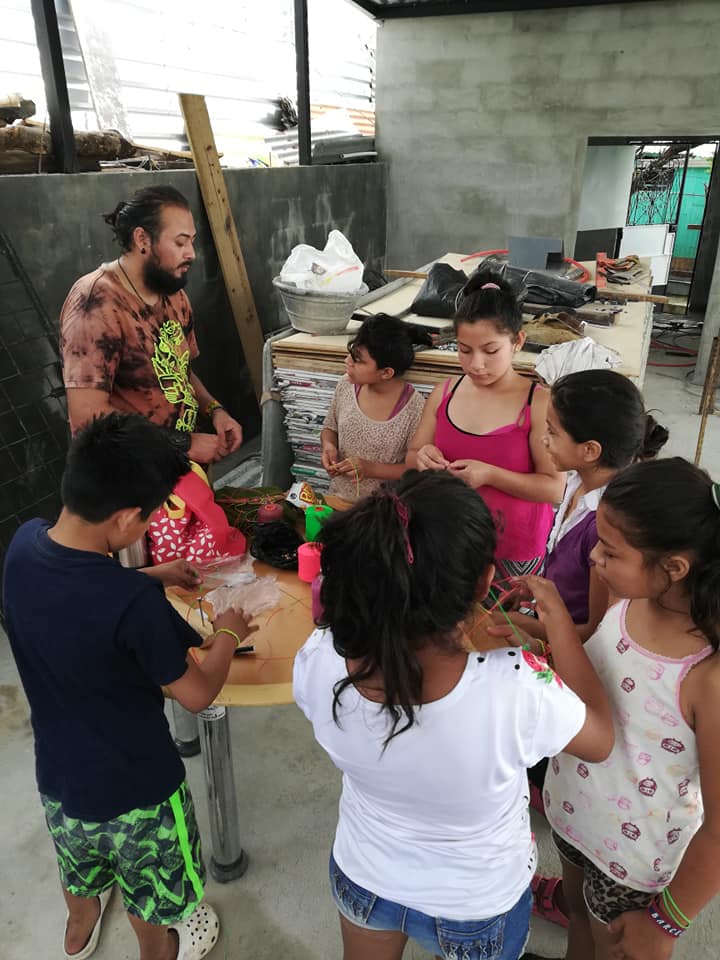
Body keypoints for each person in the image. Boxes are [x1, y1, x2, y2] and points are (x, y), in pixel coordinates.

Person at [293, 470, 614, 960]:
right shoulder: (517, 686)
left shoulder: (320, 656)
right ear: (485, 581)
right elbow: (600, 739)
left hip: (364, 874)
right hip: (475, 904)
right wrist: (560, 627)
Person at [2, 414, 255, 960]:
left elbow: (78, 591)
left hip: (61, 780)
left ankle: (79, 929)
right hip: (141, 794)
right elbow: (195, 694)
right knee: (152, 897)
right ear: (123, 519)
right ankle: (159, 948)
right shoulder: (133, 606)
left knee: (80, 867)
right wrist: (229, 634)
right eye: (148, 519)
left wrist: (153, 574)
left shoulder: (22, 546)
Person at [525, 459, 720, 960]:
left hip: (632, 858)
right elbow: (596, 669)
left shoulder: (708, 675)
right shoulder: (625, 599)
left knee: (613, 945)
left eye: (610, 551)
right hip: (573, 809)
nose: (593, 556)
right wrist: (541, 631)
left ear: (673, 568)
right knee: (578, 916)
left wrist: (666, 923)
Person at [60, 185, 243, 464]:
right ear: (142, 239)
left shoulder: (173, 294)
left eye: (192, 242)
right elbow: (86, 415)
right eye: (180, 243)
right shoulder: (96, 303)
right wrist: (183, 444)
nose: (191, 253)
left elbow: (181, 372)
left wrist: (214, 410)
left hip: (179, 466)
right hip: (132, 474)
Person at [406, 270, 564, 582]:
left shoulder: (538, 404)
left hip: (511, 549)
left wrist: (491, 475)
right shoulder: (444, 393)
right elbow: (412, 456)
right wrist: (423, 459)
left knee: (500, 615)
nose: (476, 364)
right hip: (447, 540)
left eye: (491, 351)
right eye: (465, 350)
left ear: (517, 341)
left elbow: (554, 488)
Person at [508, 370, 669, 643]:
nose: (543, 439)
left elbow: (594, 630)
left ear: (590, 450)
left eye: (552, 431)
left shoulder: (603, 527)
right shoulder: (576, 481)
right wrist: (538, 590)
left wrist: (526, 625)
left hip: (569, 648)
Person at [320, 313, 430, 500]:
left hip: (382, 508)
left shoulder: (415, 408)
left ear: (386, 372)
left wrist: (370, 469)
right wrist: (329, 446)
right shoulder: (346, 385)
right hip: (338, 500)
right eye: (350, 353)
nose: (347, 361)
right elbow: (330, 428)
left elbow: (415, 469)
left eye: (357, 359)